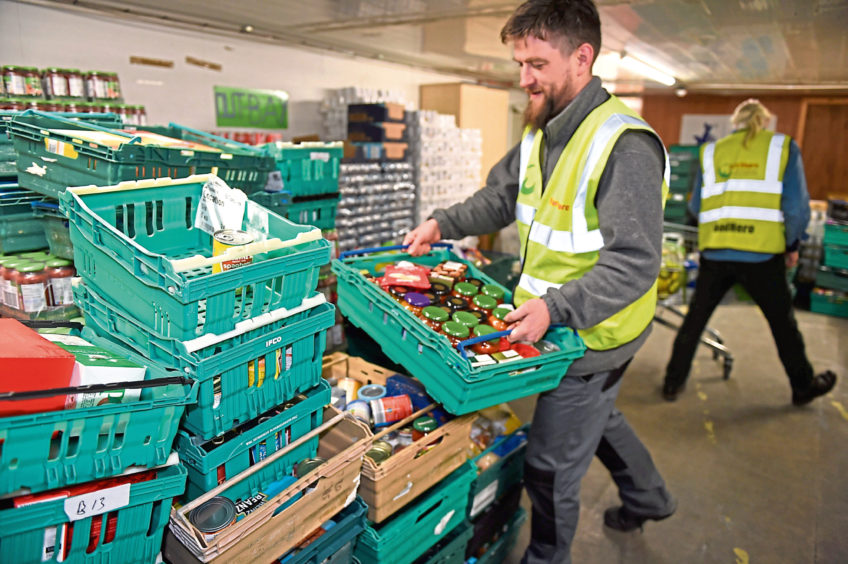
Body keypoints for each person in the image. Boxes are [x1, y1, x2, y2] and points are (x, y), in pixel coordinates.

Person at [403, 1, 676, 561]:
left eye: (537, 63)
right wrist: (441, 222)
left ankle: (545, 556)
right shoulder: (542, 130)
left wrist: (556, 308)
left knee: (549, 466)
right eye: (519, 62)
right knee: (594, 417)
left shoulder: (624, 145)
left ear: (583, 57)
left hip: (595, 331)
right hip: (559, 323)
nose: (523, 78)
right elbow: (502, 197)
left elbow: (635, 261)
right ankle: (648, 495)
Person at [662, 99, 837, 404]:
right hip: (762, 256)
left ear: (736, 122)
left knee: (695, 321)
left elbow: (695, 206)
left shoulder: (711, 151)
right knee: (783, 324)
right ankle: (802, 386)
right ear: (765, 121)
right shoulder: (783, 148)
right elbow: (796, 209)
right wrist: (792, 244)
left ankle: (672, 383)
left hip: (716, 254)